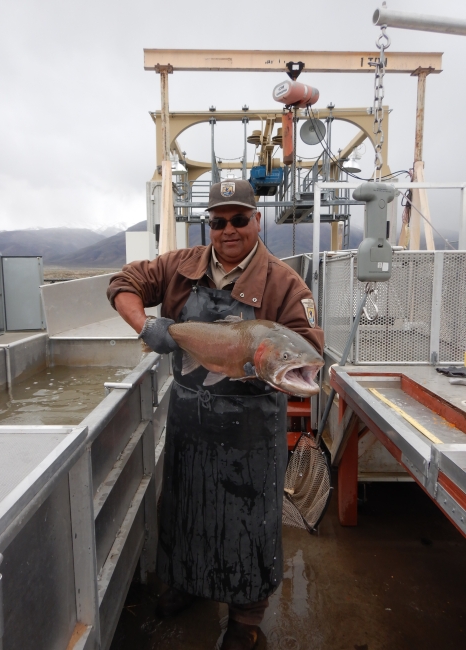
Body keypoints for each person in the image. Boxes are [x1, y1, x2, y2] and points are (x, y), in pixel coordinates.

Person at [107, 180, 324, 650]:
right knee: (186, 509)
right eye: (219, 221)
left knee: (250, 525)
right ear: (210, 225)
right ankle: (188, 584)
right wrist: (147, 325)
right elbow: (123, 284)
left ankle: (245, 617)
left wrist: (265, 368)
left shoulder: (285, 284)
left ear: (256, 220)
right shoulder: (180, 267)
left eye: (239, 219)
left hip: (252, 432)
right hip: (190, 420)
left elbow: (309, 346)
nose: (229, 230)